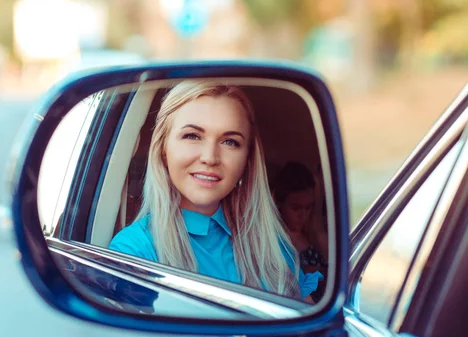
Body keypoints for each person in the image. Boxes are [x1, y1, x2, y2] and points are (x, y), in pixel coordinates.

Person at [109, 80, 323, 301]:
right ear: (163, 149)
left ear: (246, 161)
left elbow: (307, 324)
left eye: (230, 142)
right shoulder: (134, 250)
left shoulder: (271, 244)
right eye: (192, 136)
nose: (210, 158)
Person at [273, 161, 329, 301]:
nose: (303, 215)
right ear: (279, 203)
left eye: (308, 207)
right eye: (296, 208)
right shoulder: (274, 240)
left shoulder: (314, 233)